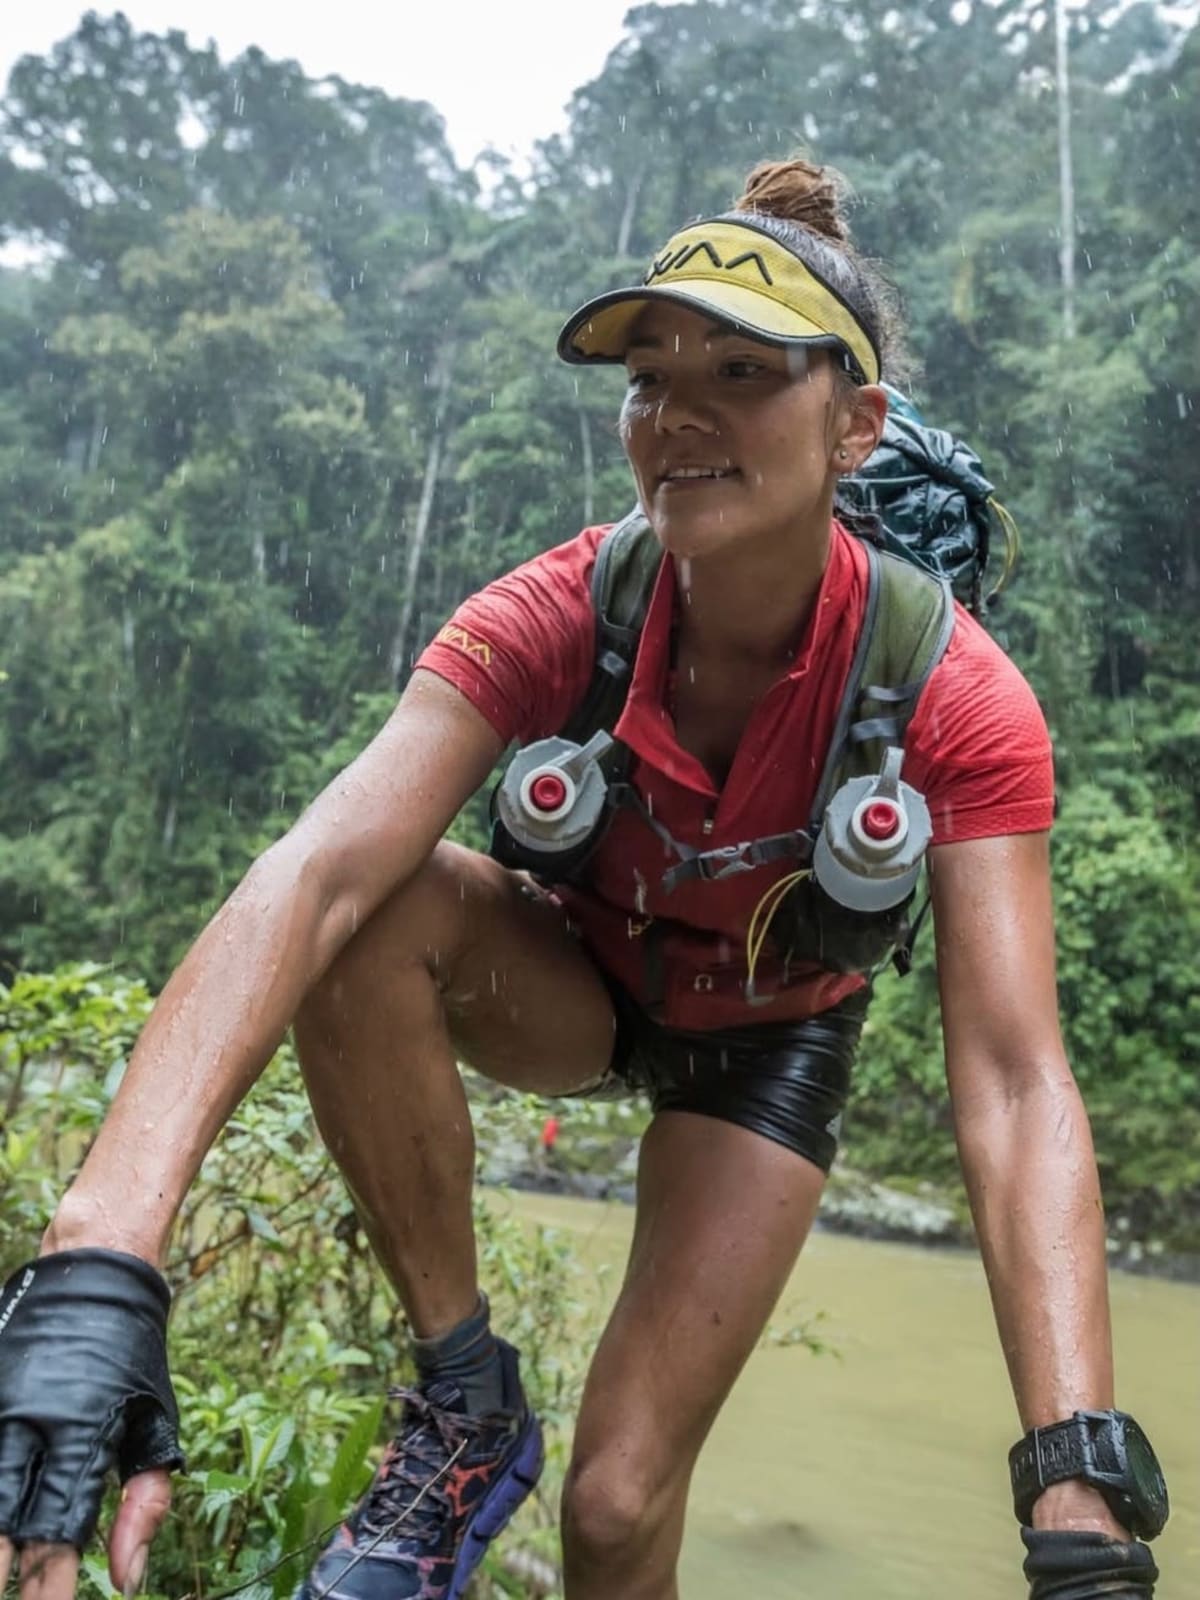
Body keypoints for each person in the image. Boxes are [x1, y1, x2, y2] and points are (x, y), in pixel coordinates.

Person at [0, 159, 1168, 1600]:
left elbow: (1010, 1080)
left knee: (619, 1509)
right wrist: (97, 1258)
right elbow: (313, 876)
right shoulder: (562, 607)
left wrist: (1077, 1474)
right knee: (377, 911)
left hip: (766, 1037)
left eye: (741, 371)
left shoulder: (956, 694)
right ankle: (463, 1399)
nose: (677, 413)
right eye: (650, 375)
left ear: (856, 425)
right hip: (576, 969)